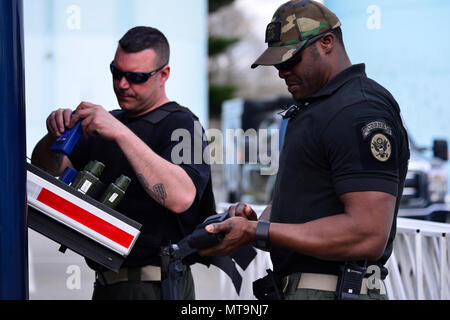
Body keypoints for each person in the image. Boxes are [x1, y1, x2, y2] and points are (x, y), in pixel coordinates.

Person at [199, 0, 410, 300]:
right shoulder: (317, 107)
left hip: (335, 289)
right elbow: (303, 219)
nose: (282, 73)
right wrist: (253, 224)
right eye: (277, 65)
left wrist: (259, 232)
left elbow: (368, 233)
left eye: (290, 61)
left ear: (327, 42)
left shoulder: (358, 109)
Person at [31, 26, 215, 300]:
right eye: (116, 72)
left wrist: (121, 133)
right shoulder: (105, 123)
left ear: (163, 74)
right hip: (107, 282)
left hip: (155, 284)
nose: (122, 84)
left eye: (136, 77)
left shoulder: (182, 124)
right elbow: (47, 169)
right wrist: (54, 135)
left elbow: (180, 197)